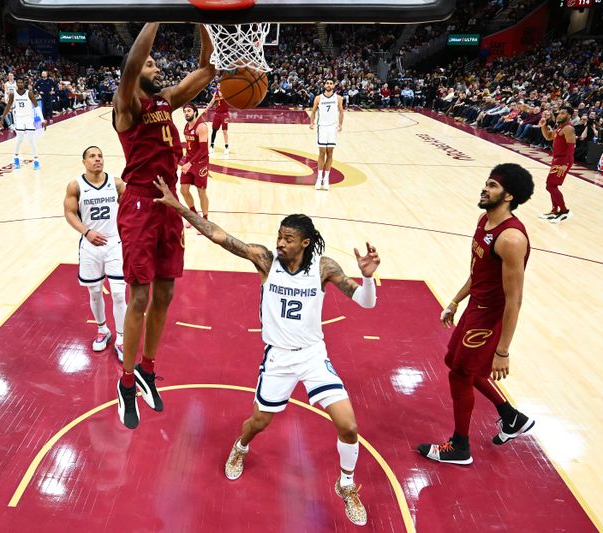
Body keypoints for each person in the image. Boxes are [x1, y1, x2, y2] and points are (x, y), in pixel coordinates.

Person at [153, 177, 379, 526]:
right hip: (278, 358)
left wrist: (366, 278)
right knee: (260, 421)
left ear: (305, 242)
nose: (281, 243)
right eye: (279, 236)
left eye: (288, 239)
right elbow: (218, 235)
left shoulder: (324, 268)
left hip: (312, 355)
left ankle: (346, 484)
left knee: (349, 426)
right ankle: (241, 446)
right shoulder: (264, 260)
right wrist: (180, 207)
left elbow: (365, 303)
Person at [111, 22, 215, 429]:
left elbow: (206, 70)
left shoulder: (165, 102)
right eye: (151, 64)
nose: (157, 68)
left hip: (169, 201)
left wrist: (206, 24)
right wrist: (156, 14)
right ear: (137, 73)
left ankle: (147, 370)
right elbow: (131, 66)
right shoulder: (127, 106)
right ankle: (124, 382)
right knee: (139, 297)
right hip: (139, 205)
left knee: (167, 292)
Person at [418, 163, 536, 465]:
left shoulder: (511, 239)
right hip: (474, 308)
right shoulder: (485, 221)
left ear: (509, 196)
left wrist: (503, 351)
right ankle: (511, 418)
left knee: (461, 374)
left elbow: (515, 300)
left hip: (489, 316)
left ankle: (460, 447)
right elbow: (479, 273)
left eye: (493, 186)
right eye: (487, 183)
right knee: (452, 362)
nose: (485, 188)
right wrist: (456, 301)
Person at [63, 145, 127, 363]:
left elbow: (128, 209)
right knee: (95, 292)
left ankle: (121, 338)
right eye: (92, 156)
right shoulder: (76, 185)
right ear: (84, 162)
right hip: (90, 246)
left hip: (114, 244)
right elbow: (69, 213)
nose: (97, 159)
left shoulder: (116, 183)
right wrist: (86, 232)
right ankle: (103, 330)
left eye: (100, 156)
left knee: (119, 293)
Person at [539, 106, 576, 224]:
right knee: (551, 185)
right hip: (557, 160)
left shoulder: (568, 128)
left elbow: (571, 148)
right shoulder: (560, 127)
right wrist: (543, 126)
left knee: (550, 186)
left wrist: (566, 163)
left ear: (569, 115)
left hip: (563, 161)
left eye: (563, 113)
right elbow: (548, 136)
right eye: (559, 113)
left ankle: (564, 211)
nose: (559, 115)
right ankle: (555, 210)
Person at [0, 78, 43, 171]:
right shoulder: (13, 94)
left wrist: (42, 120)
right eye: (18, 82)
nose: (19, 84)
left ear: (24, 83)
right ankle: (16, 158)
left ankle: (36, 161)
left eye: (21, 82)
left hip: (28, 118)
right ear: (16, 84)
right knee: (19, 139)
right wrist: (2, 118)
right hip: (19, 119)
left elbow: (36, 107)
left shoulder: (29, 93)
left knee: (32, 140)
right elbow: (8, 106)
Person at [309, 78, 344, 191]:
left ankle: (326, 178)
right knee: (322, 152)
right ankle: (319, 178)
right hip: (322, 127)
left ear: (334, 86)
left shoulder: (338, 98)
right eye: (327, 83)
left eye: (331, 83)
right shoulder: (318, 98)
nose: (329, 85)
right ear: (324, 85)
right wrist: (311, 122)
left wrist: (340, 124)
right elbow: (313, 111)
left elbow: (341, 111)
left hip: (332, 128)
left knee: (330, 152)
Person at [179, 102, 210, 224]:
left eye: (189, 111)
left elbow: (203, 150)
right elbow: (190, 147)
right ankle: (194, 215)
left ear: (195, 112)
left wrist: (190, 163)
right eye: (185, 111)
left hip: (200, 163)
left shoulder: (201, 127)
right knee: (183, 190)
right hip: (189, 161)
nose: (186, 113)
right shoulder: (186, 126)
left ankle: (205, 221)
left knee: (201, 191)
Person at [207, 86, 230, 156]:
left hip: (225, 114)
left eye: (220, 85)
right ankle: (212, 146)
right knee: (214, 130)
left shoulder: (227, 93)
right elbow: (211, 102)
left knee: (224, 131)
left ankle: (226, 147)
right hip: (217, 114)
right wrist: (206, 109)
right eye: (218, 85)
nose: (219, 86)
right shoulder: (215, 93)